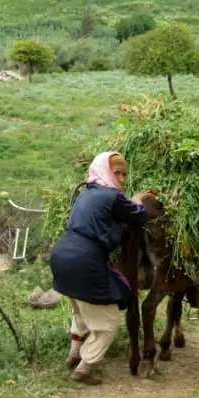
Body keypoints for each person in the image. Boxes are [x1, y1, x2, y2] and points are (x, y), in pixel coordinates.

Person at [49, 151, 153, 385]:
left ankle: (73, 354)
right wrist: (137, 200)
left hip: (61, 255)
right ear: (107, 171)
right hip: (84, 260)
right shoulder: (113, 197)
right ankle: (84, 368)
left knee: (81, 307)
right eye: (118, 173)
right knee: (107, 324)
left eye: (125, 174)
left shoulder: (87, 191)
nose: (123, 179)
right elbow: (139, 217)